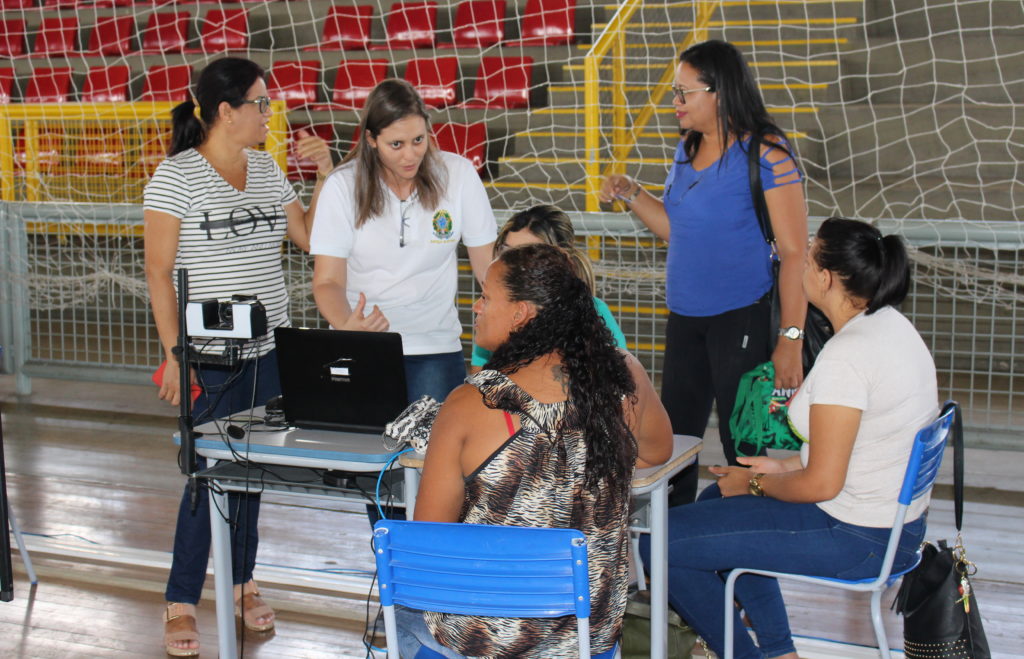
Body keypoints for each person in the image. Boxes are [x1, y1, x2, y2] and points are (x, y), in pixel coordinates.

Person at [642, 217, 938, 658]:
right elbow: (865, 445)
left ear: (826, 278)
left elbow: (822, 484)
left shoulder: (849, 357)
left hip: (855, 538)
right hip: (894, 528)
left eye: (810, 257)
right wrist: (782, 467)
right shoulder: (891, 327)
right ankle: (781, 651)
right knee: (717, 499)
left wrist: (756, 484)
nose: (797, 264)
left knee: (660, 544)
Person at [143, 57, 333, 657]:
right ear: (227, 111)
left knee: (252, 476)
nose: (269, 114)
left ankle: (241, 581)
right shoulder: (175, 176)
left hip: (270, 350)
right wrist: (177, 355)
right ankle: (180, 599)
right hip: (210, 356)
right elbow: (158, 271)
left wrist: (325, 174)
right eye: (261, 103)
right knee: (205, 480)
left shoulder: (268, 169)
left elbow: (309, 238)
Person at [402, 243, 674, 658]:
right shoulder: (622, 375)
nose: (476, 306)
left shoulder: (471, 403)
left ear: (521, 313)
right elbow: (656, 451)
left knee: (400, 616)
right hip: (587, 640)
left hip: (482, 641)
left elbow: (429, 543)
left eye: (486, 296)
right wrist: (584, 456)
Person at [599, 39, 809, 505]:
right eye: (675, 92)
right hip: (686, 318)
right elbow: (677, 230)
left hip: (741, 316)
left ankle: (743, 538)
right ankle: (675, 540)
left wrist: (790, 341)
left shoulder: (767, 155)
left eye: (684, 92)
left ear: (718, 92)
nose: (675, 102)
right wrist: (632, 192)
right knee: (676, 443)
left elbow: (795, 253)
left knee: (743, 445)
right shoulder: (687, 147)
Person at [310, 78, 496, 404]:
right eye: (396, 144)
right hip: (365, 347)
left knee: (436, 439)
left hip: (435, 347)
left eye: (418, 140)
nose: (410, 155)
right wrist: (348, 325)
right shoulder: (342, 186)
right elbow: (327, 282)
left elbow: (488, 269)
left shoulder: (459, 174)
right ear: (371, 139)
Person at [469, 203, 627, 372]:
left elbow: (616, 376)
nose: (511, 263)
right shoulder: (494, 314)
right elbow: (479, 377)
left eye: (527, 254)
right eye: (506, 251)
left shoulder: (595, 314)